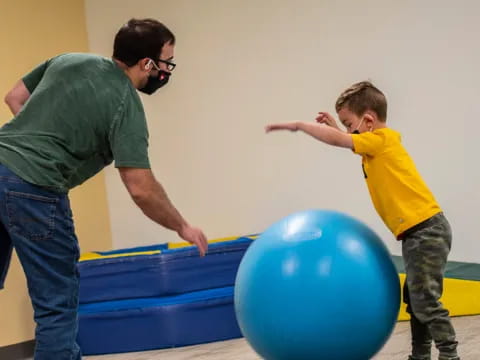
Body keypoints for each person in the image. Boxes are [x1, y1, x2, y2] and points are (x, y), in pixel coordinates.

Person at [0, 18, 208, 360]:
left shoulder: (69, 60)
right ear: (147, 63)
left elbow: (14, 97)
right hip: (35, 188)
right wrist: (181, 226)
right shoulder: (125, 105)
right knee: (56, 301)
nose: (167, 70)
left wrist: (40, 139)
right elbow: (140, 187)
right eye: (167, 61)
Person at [266, 81, 459, 360]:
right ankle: (420, 355)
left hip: (426, 232)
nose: (348, 132)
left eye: (349, 124)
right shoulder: (376, 144)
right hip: (420, 233)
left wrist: (300, 125)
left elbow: (342, 142)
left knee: (425, 300)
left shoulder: (382, 141)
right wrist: (337, 127)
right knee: (416, 301)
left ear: (368, 120)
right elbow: (348, 141)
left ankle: (450, 353)